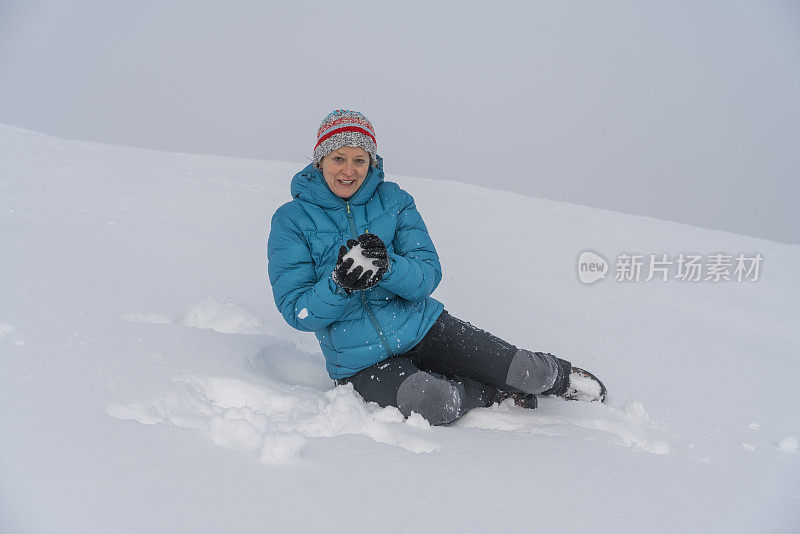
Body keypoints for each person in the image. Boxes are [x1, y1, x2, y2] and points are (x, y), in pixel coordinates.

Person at [267, 109, 606, 426]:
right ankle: (490, 394)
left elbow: (427, 275)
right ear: (320, 160)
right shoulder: (291, 220)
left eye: (359, 160)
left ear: (371, 163)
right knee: (432, 401)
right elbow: (299, 313)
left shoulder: (394, 201)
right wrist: (340, 284)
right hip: (360, 363)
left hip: (424, 328)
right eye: (338, 158)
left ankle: (558, 377)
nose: (349, 170)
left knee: (525, 370)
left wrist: (387, 267)